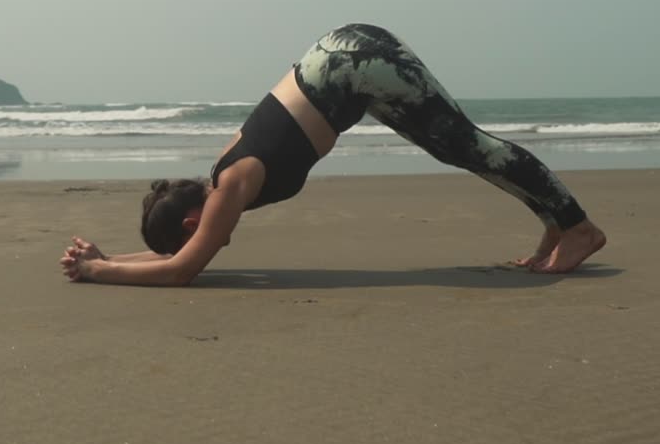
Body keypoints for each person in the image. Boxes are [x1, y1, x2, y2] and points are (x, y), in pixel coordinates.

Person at [59, 24, 606, 286]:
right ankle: (555, 227)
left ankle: (577, 227)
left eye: (193, 235)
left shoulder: (228, 190)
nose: (209, 243)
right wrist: (111, 257)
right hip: (343, 66)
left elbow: (181, 270)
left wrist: (98, 270)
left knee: (469, 145)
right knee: (461, 152)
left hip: (351, 68)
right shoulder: (219, 184)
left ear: (190, 222)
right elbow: (181, 255)